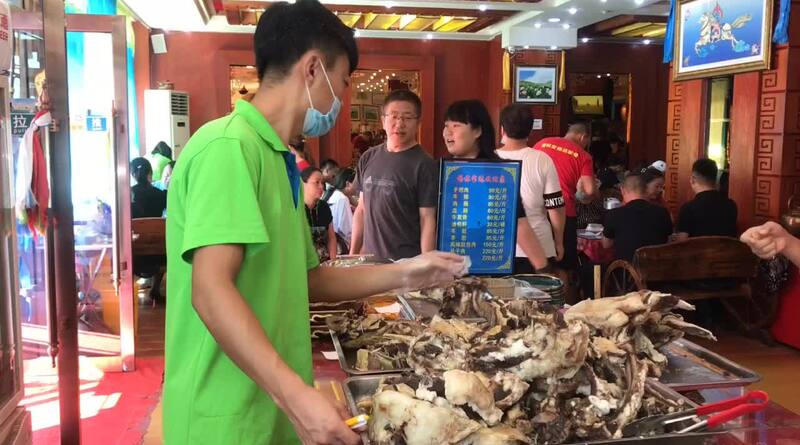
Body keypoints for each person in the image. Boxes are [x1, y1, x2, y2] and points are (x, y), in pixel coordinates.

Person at [163, 2, 466, 444]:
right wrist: (295, 396)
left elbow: (308, 279)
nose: (342, 98)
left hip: (270, 407)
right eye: (342, 81)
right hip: (223, 416)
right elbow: (210, 290)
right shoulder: (228, 148)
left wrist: (410, 271)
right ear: (312, 69)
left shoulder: (278, 158)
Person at [443, 100, 551, 272]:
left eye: (456, 125)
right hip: (448, 271)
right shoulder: (442, 172)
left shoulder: (500, 174)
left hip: (491, 270)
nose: (448, 132)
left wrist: (543, 269)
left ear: (477, 131)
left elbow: (519, 222)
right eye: (446, 126)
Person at [350, 89, 438, 260]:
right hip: (371, 262)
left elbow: (427, 219)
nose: (399, 123)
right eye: (394, 116)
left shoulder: (424, 164)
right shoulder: (368, 157)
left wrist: (426, 263)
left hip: (406, 263)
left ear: (418, 123)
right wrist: (353, 253)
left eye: (407, 117)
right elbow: (361, 209)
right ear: (383, 121)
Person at [495, 104, 566, 270]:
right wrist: (559, 242)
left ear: (502, 129)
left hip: (496, 249)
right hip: (539, 248)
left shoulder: (491, 159)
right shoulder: (542, 160)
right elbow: (555, 207)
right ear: (530, 130)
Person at [534, 122, 596, 272]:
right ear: (583, 137)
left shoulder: (542, 143)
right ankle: (563, 288)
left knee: (537, 261)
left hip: (536, 210)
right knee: (563, 266)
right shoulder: (583, 156)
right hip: (564, 212)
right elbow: (589, 191)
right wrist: (581, 190)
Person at [602, 173, 673, 262]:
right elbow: (668, 241)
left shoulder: (614, 214)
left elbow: (606, 245)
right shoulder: (662, 212)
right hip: (657, 268)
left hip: (627, 268)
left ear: (622, 190)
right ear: (645, 190)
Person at [675, 158, 738, 240]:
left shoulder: (688, 208)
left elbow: (681, 242)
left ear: (693, 179)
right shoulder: (731, 205)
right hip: (726, 248)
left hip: (697, 249)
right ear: (715, 179)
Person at [328, 168, 355, 249]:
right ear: (348, 184)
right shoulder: (342, 199)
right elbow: (347, 230)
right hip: (341, 245)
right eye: (356, 183)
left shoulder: (333, 194)